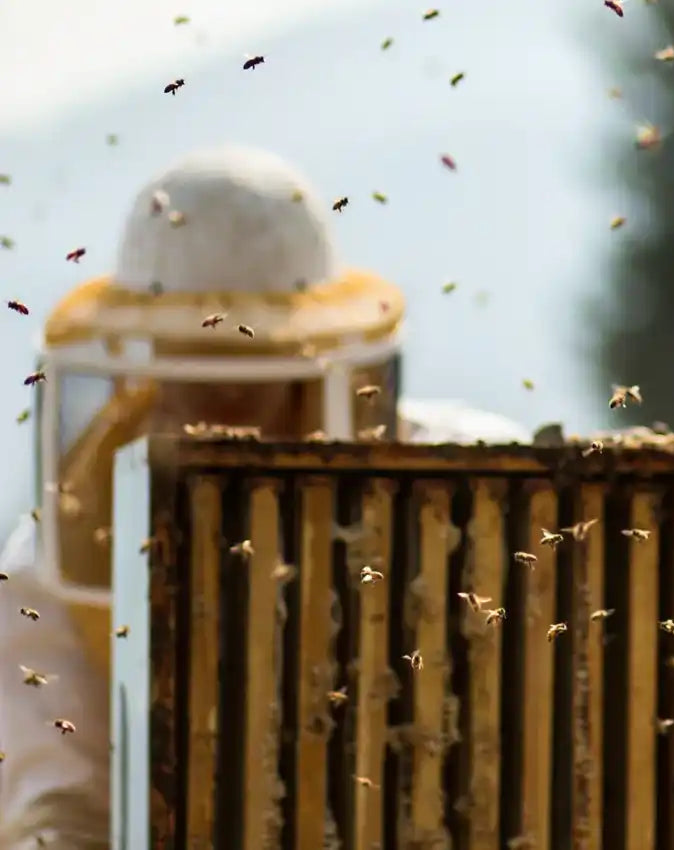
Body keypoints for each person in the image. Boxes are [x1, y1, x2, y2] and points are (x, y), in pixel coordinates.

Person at [0, 146, 532, 849]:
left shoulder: (477, 488)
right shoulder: (53, 561)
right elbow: (58, 800)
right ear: (140, 364)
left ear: (317, 363)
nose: (224, 410)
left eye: (252, 372)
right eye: (196, 369)